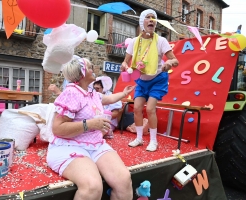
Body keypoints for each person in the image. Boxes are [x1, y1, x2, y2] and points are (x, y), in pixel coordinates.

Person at [47, 57, 135, 200]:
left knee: (123, 180)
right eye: (89, 67)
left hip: (96, 145)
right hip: (69, 146)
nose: (93, 68)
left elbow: (108, 99)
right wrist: (90, 124)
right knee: (92, 186)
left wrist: (124, 93)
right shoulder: (71, 93)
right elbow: (57, 128)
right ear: (80, 73)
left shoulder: (91, 93)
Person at [120, 9, 179, 151]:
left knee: (151, 109)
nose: (152, 20)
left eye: (153, 18)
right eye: (148, 17)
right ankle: (139, 138)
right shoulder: (134, 42)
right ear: (142, 22)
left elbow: (175, 60)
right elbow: (125, 61)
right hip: (141, 80)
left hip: (158, 79)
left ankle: (153, 141)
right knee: (137, 108)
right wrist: (124, 65)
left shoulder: (161, 41)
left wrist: (169, 63)